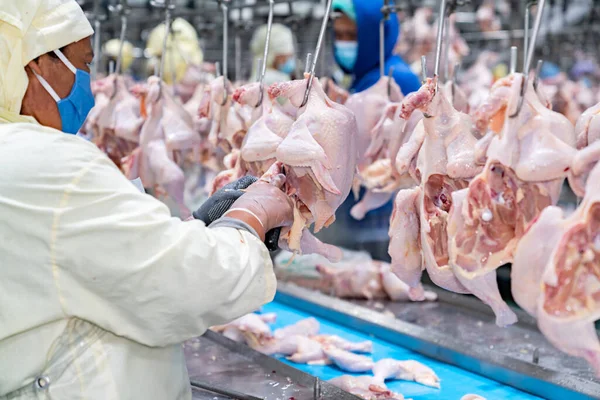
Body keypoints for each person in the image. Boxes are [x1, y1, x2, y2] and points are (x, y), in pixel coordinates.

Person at [0, 1, 293, 399]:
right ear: (36, 63)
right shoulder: (51, 165)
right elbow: (188, 286)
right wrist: (249, 218)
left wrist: (198, 229)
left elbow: (89, 259)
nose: (86, 80)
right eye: (82, 64)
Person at [332, 0, 421, 95]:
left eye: (352, 35)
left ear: (374, 34)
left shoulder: (398, 79)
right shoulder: (362, 76)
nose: (344, 42)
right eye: (338, 35)